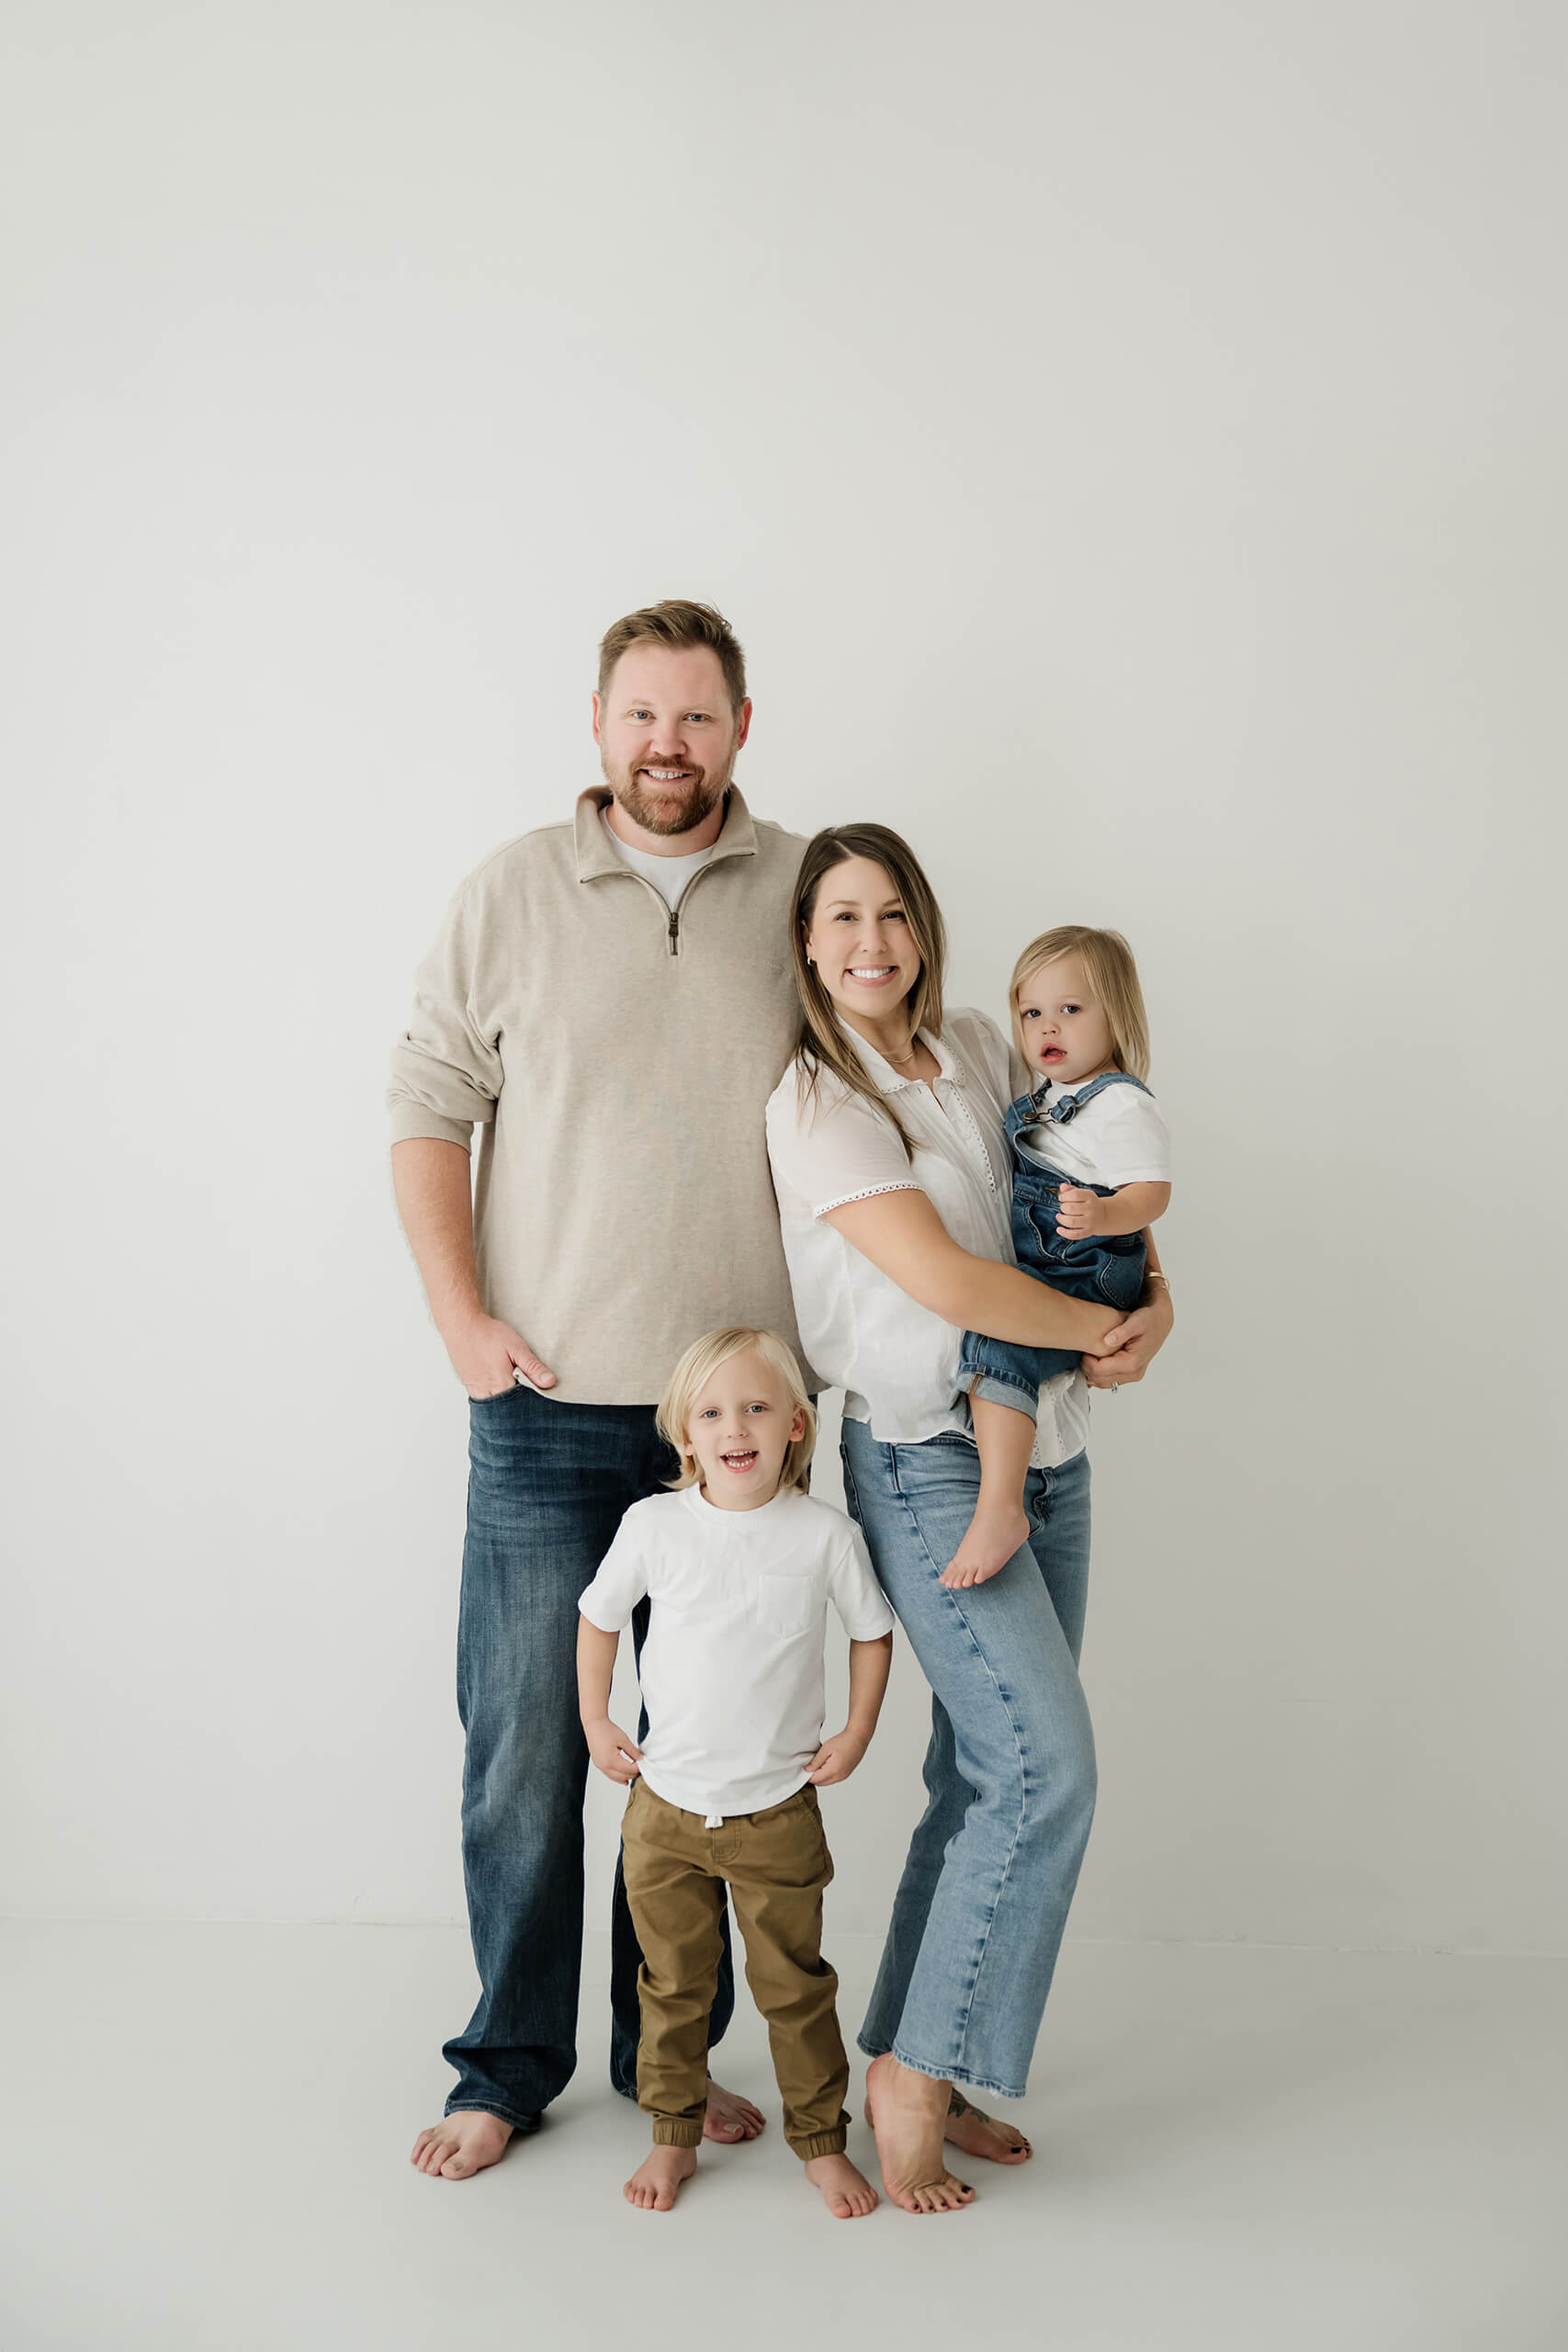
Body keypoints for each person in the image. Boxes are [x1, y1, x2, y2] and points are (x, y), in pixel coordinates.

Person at [389, 600, 811, 2181]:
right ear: (597, 721)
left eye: (697, 717)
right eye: (642, 714)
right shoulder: (512, 891)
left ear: (741, 727)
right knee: (523, 1752)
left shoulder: (797, 890)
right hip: (545, 1402)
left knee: (704, 1759)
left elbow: (899, 1080)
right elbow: (426, 1098)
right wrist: (460, 1318)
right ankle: (507, 2063)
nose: (667, 744)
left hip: (737, 1434)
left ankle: (669, 2064)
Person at [764, 824, 1173, 2215]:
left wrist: (1148, 1308)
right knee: (1044, 1770)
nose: (869, 943)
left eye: (891, 916)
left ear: (922, 930)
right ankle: (916, 2077)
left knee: (978, 1777)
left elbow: (1086, 1208)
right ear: (806, 943)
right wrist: (1094, 1325)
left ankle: (915, 2045)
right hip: (925, 1458)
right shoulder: (815, 1100)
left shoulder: (985, 1048)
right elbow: (941, 1277)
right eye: (840, 920)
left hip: (1046, 1446)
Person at [577, 1326, 895, 2217]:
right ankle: (671, 2136)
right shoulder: (655, 1525)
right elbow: (599, 1617)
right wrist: (596, 1717)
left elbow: (872, 1632)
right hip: (665, 1812)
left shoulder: (822, 1535)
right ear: (685, 1436)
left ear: (797, 1425)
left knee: (795, 1989)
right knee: (671, 1988)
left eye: (756, 1405)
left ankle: (821, 2143)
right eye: (712, 1411)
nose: (735, 1425)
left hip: (777, 1812)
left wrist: (858, 1727)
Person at [946, 925, 1172, 1589]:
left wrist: (1105, 1214)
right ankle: (1003, 1494)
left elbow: (1152, 1192)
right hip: (1055, 1260)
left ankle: (1000, 1505)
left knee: (999, 1348)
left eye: (1070, 1009)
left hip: (1088, 1267)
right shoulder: (1046, 1094)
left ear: (1116, 1017)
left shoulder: (1121, 1104)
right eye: (1031, 1012)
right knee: (998, 1346)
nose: (1048, 1026)